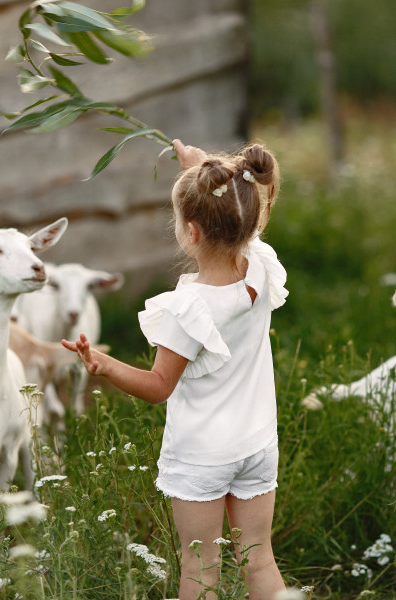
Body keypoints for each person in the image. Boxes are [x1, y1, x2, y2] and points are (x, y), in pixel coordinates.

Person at [62, 139, 288, 600]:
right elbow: (244, 223)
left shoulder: (189, 309)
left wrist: (102, 365)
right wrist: (202, 168)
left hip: (204, 454)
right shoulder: (259, 267)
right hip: (257, 443)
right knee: (259, 558)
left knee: (201, 565)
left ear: (191, 232)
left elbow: (158, 386)